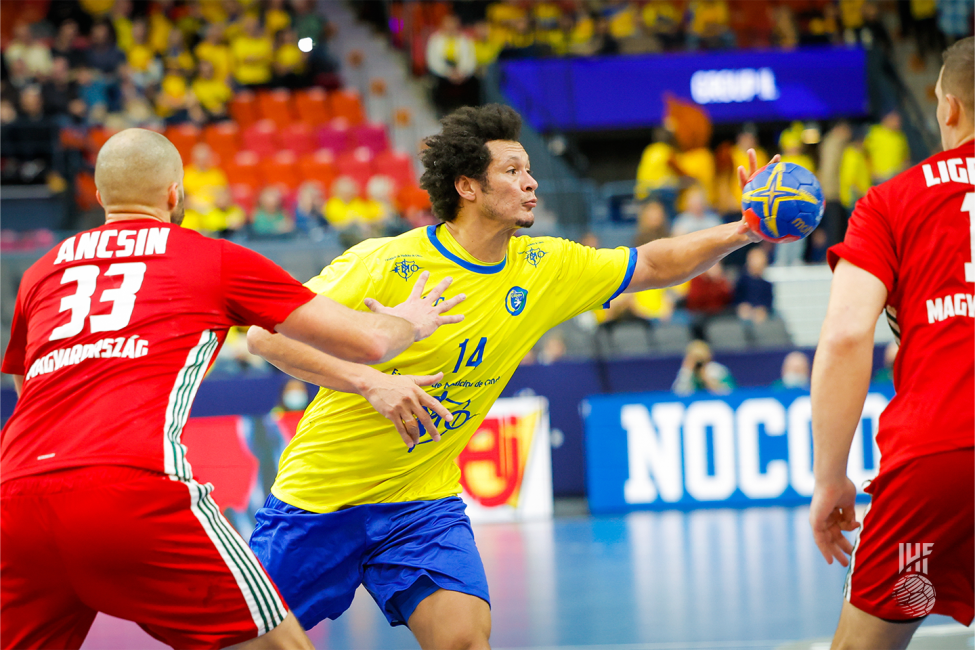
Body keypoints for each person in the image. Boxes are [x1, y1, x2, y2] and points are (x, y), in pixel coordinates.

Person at [245, 103, 771, 649]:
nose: (532, 183)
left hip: (421, 504)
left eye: (529, 170)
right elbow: (265, 335)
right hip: (318, 500)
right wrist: (370, 380)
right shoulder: (383, 261)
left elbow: (654, 264)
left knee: (466, 640)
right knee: (248, 642)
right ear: (468, 186)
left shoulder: (544, 267)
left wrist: (742, 230)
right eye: (513, 171)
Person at [0, 128, 466, 648]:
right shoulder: (210, 259)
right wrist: (411, 320)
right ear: (175, 194)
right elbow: (368, 341)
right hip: (131, 490)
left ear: (101, 194)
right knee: (280, 645)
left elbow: (26, 388)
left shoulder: (41, 272)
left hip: (15, 499)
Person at [810, 37, 975, 649]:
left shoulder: (891, 201)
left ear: (948, 108)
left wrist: (831, 477)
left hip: (938, 460)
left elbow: (849, 334)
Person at [735, 246, 774, 323]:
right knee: (744, 313)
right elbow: (736, 297)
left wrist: (763, 309)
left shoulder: (767, 284)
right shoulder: (743, 280)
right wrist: (741, 306)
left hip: (760, 312)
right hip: (744, 310)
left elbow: (769, 302)